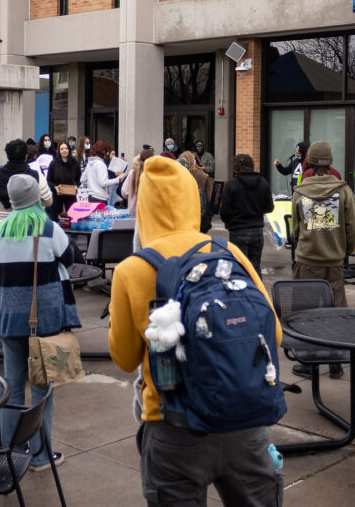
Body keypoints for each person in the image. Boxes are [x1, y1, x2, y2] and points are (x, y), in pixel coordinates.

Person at [109, 156, 281, 506]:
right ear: (192, 199)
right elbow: (273, 335)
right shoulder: (226, 250)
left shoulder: (132, 269)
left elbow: (125, 359)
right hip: (243, 421)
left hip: (172, 427)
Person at [0, 174, 79, 471]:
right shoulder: (49, 229)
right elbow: (70, 257)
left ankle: (10, 452)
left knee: (12, 387)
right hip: (43, 322)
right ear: (36, 199)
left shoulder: (0, 232)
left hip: (8, 321)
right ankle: (41, 456)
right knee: (42, 390)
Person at [290, 141, 355, 379]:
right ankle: (336, 361)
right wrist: (342, 251)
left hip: (307, 260)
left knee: (307, 313)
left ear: (309, 160)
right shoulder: (344, 191)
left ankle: (310, 362)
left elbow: (295, 231)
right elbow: (351, 230)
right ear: (330, 162)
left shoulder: (300, 192)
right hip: (334, 261)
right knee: (336, 310)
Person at [219, 154, 274, 272]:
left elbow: (225, 212)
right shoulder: (263, 182)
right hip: (257, 231)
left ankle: (242, 290)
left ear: (235, 167)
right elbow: (269, 207)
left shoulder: (231, 185)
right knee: (255, 268)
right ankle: (257, 289)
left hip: (238, 230)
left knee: (240, 267)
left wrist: (230, 221)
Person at [0, 139, 52, 213]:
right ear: (26, 156)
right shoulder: (37, 176)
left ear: (7, 155)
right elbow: (48, 201)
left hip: (5, 221)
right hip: (31, 220)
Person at [178, 150, 213, 232]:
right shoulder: (203, 175)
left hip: (182, 215)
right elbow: (209, 197)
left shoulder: (178, 175)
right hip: (199, 215)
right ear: (193, 160)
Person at [46, 140, 81, 219]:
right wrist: (55, 187)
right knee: (55, 217)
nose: (64, 150)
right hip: (57, 194)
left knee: (73, 216)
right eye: (62, 149)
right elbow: (48, 180)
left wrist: (77, 186)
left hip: (70, 194)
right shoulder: (54, 163)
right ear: (59, 150)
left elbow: (79, 178)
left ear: (69, 150)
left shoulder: (75, 163)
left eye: (66, 148)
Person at [120, 146, 154, 217]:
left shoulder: (132, 172)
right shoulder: (153, 173)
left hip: (133, 211)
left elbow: (124, 192)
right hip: (149, 212)